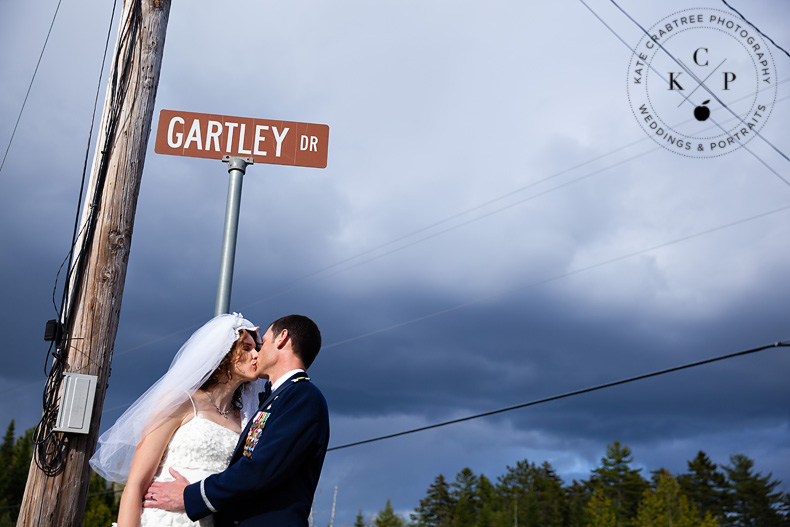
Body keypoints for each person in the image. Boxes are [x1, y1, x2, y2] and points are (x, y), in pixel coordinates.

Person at [143, 314, 330, 527]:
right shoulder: (277, 398)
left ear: (282, 338)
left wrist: (190, 496)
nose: (258, 353)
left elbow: (261, 468)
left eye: (263, 343)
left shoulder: (302, 397)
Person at [89, 313, 262, 527]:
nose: (256, 355)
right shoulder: (180, 401)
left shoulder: (246, 418)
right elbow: (136, 483)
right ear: (224, 353)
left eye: (256, 348)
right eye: (246, 348)